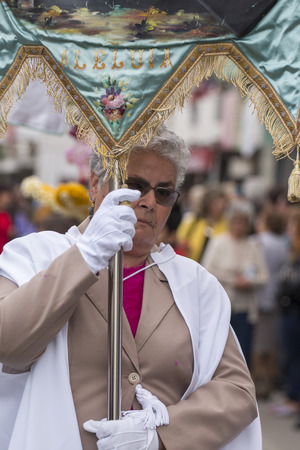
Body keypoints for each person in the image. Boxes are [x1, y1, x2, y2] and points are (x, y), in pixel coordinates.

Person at [0, 125, 261, 450]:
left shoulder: (196, 285)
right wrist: (84, 257)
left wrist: (160, 436)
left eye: (163, 193)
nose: (149, 202)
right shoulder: (36, 256)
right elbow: (8, 343)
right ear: (95, 184)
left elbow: (236, 391)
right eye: (134, 186)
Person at [202, 199, 269, 369]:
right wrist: (234, 280)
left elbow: (263, 276)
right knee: (219, 350)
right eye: (237, 221)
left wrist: (249, 281)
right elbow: (206, 271)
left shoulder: (253, 246)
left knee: (242, 351)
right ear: (231, 221)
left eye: (244, 222)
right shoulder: (218, 242)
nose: (240, 226)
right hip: (222, 306)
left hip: (245, 309)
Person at [251, 209, 288, 399]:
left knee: (257, 343)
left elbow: (251, 266)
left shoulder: (259, 241)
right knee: (270, 343)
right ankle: (269, 379)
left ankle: (258, 381)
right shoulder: (283, 244)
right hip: (276, 295)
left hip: (258, 294)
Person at [176, 184, 228, 263]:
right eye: (217, 203)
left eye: (223, 203)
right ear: (208, 203)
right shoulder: (192, 220)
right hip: (190, 264)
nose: (221, 206)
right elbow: (180, 240)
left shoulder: (227, 224)